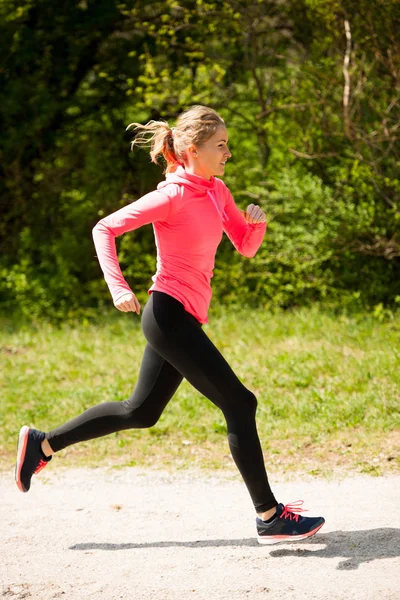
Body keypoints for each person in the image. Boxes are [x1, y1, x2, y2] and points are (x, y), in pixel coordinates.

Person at [15, 105, 325, 544]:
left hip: (183, 317)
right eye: (221, 145)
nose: (228, 153)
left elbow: (244, 244)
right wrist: (117, 285)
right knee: (240, 403)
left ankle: (43, 444)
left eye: (227, 145)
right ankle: (269, 516)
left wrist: (256, 226)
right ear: (194, 150)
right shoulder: (171, 196)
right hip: (166, 313)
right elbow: (104, 228)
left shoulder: (217, 191)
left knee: (140, 412)